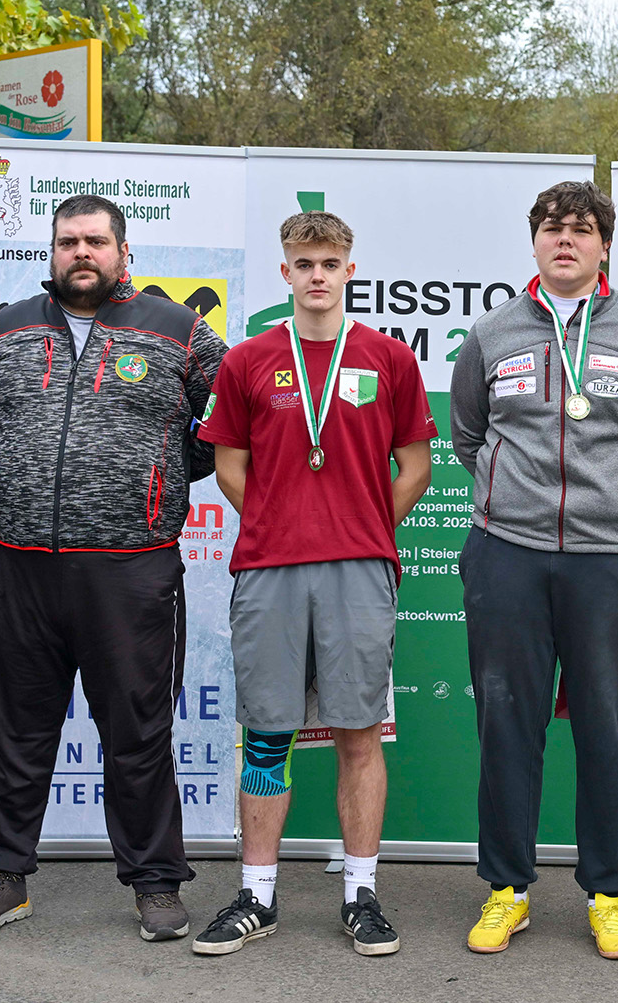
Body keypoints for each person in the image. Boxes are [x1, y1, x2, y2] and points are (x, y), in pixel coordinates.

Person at [0, 194, 227, 944]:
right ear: (51, 249)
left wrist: (161, 472)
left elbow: (229, 423)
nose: (82, 253)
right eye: (69, 241)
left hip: (131, 568)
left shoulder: (180, 331)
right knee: (14, 726)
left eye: (96, 242)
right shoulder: (5, 328)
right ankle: (2, 876)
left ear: (122, 252)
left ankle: (156, 882)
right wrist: (24, 474)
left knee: (137, 731)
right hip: (21, 565)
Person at [450, 180, 618, 959]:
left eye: (583, 229)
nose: (567, 240)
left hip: (610, 562)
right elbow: (469, 436)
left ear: (604, 246)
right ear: (534, 242)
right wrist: (518, 501)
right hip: (508, 556)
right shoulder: (492, 333)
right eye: (553, 228)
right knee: (507, 723)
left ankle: (607, 892)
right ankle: (507, 889)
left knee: (607, 727)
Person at [190, 210, 435, 957]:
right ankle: (257, 895)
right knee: (266, 734)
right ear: (286, 272)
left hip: (360, 568)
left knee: (359, 733)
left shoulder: (389, 358)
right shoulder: (249, 360)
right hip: (268, 568)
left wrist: (356, 525)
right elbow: (229, 463)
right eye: (305, 263)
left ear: (350, 270)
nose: (318, 275)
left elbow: (417, 469)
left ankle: (361, 893)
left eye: (330, 262)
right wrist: (277, 517)